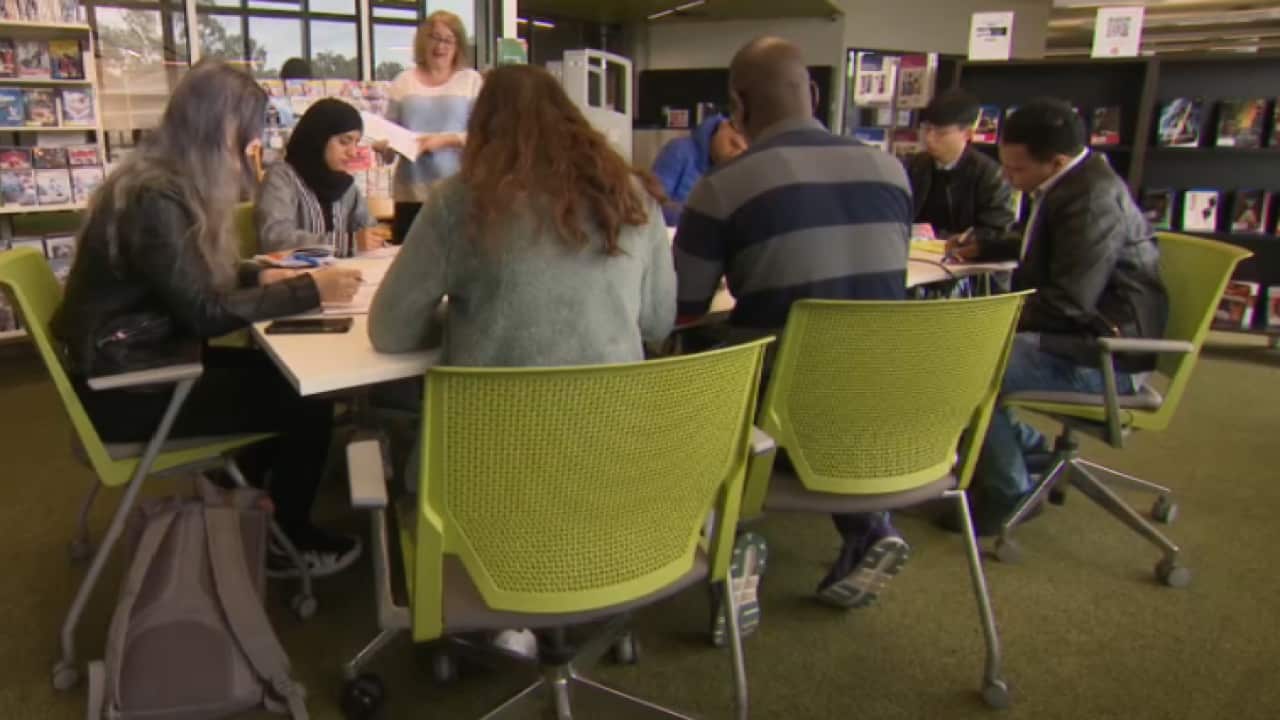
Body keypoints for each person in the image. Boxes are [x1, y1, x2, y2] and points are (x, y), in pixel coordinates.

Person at [368, 63, 674, 659]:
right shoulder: (633, 200)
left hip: (486, 487)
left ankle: (499, 615)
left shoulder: (461, 204)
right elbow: (658, 323)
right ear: (573, 121)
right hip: (613, 474)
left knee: (402, 450)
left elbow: (389, 331)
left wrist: (464, 318)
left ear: (484, 128)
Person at [50, 62, 366, 578]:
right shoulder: (157, 196)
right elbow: (202, 313)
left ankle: (254, 508)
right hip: (132, 388)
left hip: (132, 361)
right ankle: (288, 541)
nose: (249, 152)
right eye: (245, 139)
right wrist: (308, 288)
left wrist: (253, 276)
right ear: (218, 129)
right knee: (308, 401)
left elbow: (182, 279)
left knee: (281, 378)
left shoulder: (153, 181)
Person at [674, 37, 914, 619]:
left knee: (680, 367)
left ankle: (725, 540)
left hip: (780, 409)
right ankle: (869, 525)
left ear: (739, 103)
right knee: (830, 355)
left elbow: (682, 306)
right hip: (890, 398)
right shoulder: (892, 171)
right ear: (811, 93)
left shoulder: (725, 186)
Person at [946, 98, 1168, 533]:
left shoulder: (1091, 202)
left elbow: (1068, 302)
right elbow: (1056, 249)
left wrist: (984, 319)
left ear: (1058, 161)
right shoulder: (1070, 183)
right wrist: (991, 247)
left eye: (1018, 170)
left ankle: (1008, 493)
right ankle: (1029, 454)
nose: (1008, 178)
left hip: (1106, 355)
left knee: (962, 365)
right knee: (969, 352)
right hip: (1089, 337)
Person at [378, 11, 483, 244]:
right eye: (434, 38)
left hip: (458, 191)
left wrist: (445, 140)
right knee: (407, 265)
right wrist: (383, 146)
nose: (440, 46)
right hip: (411, 194)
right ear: (423, 41)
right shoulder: (403, 82)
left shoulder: (471, 81)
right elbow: (389, 135)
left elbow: (483, 134)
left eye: (448, 40)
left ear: (458, 45)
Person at [255, 98, 388, 256]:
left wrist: (375, 239)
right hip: (297, 279)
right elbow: (275, 239)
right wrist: (348, 242)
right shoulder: (282, 178)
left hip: (343, 277)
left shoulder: (346, 187)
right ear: (319, 138)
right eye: (344, 142)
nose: (353, 152)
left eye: (356, 143)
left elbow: (367, 230)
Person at [906, 89, 1014, 244]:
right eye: (927, 129)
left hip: (963, 258)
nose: (929, 138)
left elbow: (996, 230)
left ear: (968, 134)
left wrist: (954, 239)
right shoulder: (914, 166)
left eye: (941, 133)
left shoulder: (989, 174)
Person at [651, 113, 747, 226]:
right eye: (733, 144)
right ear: (723, 126)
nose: (734, 155)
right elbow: (653, 204)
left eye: (742, 153)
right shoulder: (679, 150)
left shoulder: (736, 172)